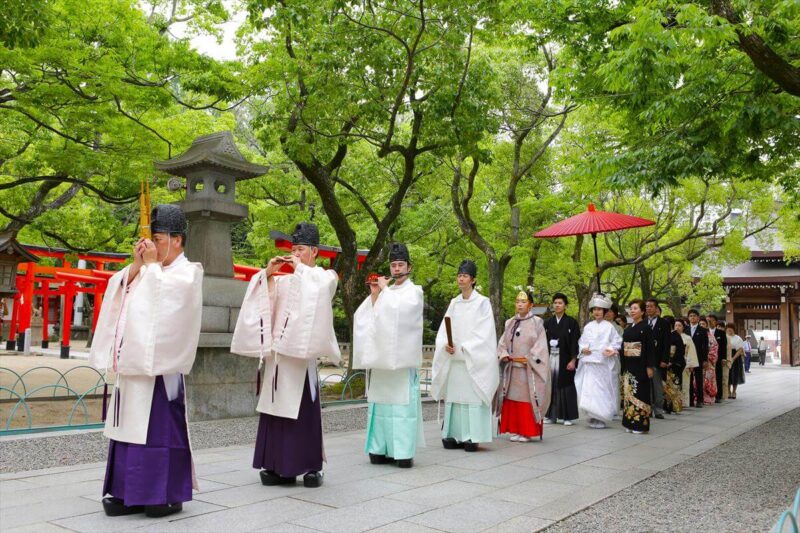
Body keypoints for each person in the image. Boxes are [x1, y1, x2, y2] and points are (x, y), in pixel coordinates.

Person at [89, 205, 203, 518]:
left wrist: (150, 268)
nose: (151, 246)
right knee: (127, 431)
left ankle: (163, 494)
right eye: (148, 240)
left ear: (177, 240)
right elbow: (120, 291)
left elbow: (165, 306)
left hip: (160, 373)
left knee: (158, 432)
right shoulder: (148, 270)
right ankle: (127, 492)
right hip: (132, 367)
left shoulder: (188, 272)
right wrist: (138, 265)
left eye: (158, 239)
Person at [231, 222, 341, 488]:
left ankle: (311, 466)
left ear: (314, 251)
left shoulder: (324, 277)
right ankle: (277, 466)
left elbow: (320, 291)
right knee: (275, 412)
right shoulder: (284, 280)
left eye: (301, 249)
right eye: (293, 250)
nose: (295, 254)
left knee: (303, 414)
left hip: (301, 361)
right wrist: (267, 274)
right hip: (278, 359)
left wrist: (300, 268)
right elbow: (263, 301)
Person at [353, 243, 424, 468]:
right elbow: (369, 317)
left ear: (409, 267)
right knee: (380, 405)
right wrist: (375, 295)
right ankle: (379, 448)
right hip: (382, 360)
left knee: (401, 407)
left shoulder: (415, 291)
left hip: (401, 363)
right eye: (393, 265)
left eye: (400, 265)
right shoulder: (387, 292)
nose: (396, 269)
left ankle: (402, 452)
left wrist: (385, 291)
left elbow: (402, 314)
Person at [431, 260, 498, 452]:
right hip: (455, 360)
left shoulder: (482, 303)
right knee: (454, 397)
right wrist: (446, 344)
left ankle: (472, 436)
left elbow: (484, 333)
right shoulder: (454, 303)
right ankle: (452, 434)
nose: (461, 279)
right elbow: (444, 329)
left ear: (473, 280)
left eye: (465, 276)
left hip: (471, 359)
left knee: (471, 397)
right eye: (459, 275)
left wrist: (465, 348)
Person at [494, 289, 550, 441]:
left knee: (527, 399)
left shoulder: (537, 323)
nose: (520, 304)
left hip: (528, 369)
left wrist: (530, 358)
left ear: (531, 305)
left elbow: (541, 346)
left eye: (524, 302)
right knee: (511, 398)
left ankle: (526, 431)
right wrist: (504, 354)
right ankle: (514, 429)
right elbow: (502, 343)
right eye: (518, 301)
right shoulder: (510, 322)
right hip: (512, 368)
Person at [575, 293, 622, 429]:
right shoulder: (588, 326)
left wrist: (612, 349)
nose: (597, 312)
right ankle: (591, 415)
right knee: (590, 389)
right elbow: (582, 341)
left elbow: (617, 341)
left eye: (600, 309)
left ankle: (601, 416)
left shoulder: (609, 327)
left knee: (602, 390)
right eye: (594, 309)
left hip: (603, 363)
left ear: (605, 311)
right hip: (590, 363)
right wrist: (583, 349)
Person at [543, 293, 580, 425]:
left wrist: (573, 360)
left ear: (565, 306)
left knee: (566, 386)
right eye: (555, 303)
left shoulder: (571, 323)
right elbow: (542, 342)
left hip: (565, 359)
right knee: (551, 385)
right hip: (550, 357)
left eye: (560, 303)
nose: (557, 305)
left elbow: (575, 342)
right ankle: (551, 416)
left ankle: (567, 417)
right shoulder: (548, 322)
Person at [620, 299, 656, 434]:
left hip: (641, 364)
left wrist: (649, 366)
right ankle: (629, 422)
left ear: (642, 311)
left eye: (635, 308)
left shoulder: (646, 328)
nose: (632, 311)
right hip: (629, 365)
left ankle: (640, 425)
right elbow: (624, 347)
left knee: (640, 393)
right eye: (631, 308)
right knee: (629, 394)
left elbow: (650, 348)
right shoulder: (628, 328)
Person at [645, 299, 669, 419]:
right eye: (647, 306)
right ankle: (647, 408)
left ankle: (658, 410)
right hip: (644, 360)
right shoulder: (642, 322)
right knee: (646, 386)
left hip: (658, 359)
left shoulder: (664, 323)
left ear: (656, 308)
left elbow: (667, 342)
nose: (648, 308)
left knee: (657, 386)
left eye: (651, 306)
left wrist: (665, 359)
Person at [605, 305, 625, 419]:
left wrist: (612, 349)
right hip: (600, 359)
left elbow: (620, 343)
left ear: (615, 314)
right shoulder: (598, 325)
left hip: (613, 358)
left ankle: (614, 410)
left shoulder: (618, 328)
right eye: (606, 311)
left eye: (610, 312)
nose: (608, 314)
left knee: (613, 384)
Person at [686, 310, 709, 408]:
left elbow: (705, 346)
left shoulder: (703, 330)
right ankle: (690, 400)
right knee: (689, 378)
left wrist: (705, 359)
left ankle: (699, 400)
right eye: (690, 316)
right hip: (687, 357)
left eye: (694, 316)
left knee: (699, 379)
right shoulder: (685, 329)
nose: (692, 317)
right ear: (688, 318)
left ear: (698, 318)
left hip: (699, 357)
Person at [663, 316, 685, 414]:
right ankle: (666, 405)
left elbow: (680, 350)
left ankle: (675, 406)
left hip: (675, 364)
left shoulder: (675, 335)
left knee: (675, 385)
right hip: (665, 363)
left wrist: (672, 361)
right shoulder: (665, 334)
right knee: (666, 386)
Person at [675, 319, 698, 408]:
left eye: (679, 325)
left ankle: (684, 402)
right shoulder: (671, 336)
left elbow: (691, 351)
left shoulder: (687, 338)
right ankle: (675, 403)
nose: (677, 327)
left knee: (685, 383)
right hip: (674, 362)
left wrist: (691, 364)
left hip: (685, 362)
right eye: (676, 325)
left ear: (683, 327)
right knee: (674, 383)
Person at [707, 315, 727, 403]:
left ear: (715, 322)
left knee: (718, 376)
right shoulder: (704, 331)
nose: (709, 322)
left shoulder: (721, 333)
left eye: (711, 320)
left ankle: (718, 395)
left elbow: (723, 346)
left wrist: (724, 358)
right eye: (708, 320)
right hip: (707, 358)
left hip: (718, 358)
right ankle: (708, 394)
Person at [699, 318, 718, 405]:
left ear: (707, 325)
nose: (701, 325)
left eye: (703, 324)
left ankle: (708, 397)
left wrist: (708, 359)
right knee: (697, 380)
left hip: (708, 362)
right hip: (698, 361)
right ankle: (698, 397)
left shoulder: (711, 337)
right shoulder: (696, 335)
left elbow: (714, 348)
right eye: (700, 324)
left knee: (708, 379)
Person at [726, 325, 745, 399]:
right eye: (728, 329)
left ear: (734, 330)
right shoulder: (725, 337)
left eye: (731, 329)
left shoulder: (738, 338)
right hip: (726, 356)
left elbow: (740, 350)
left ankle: (734, 391)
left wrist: (733, 358)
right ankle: (728, 391)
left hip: (736, 357)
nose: (729, 331)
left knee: (735, 375)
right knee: (727, 374)